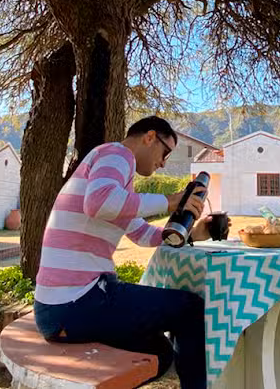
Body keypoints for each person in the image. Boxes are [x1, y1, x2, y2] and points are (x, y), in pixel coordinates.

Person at [33, 116, 212, 389]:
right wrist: (170, 201)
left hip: (63, 307)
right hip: (77, 301)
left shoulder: (118, 187)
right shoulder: (116, 153)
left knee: (159, 353)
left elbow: (143, 235)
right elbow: (100, 202)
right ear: (149, 137)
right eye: (166, 152)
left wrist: (196, 233)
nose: (163, 163)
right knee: (190, 309)